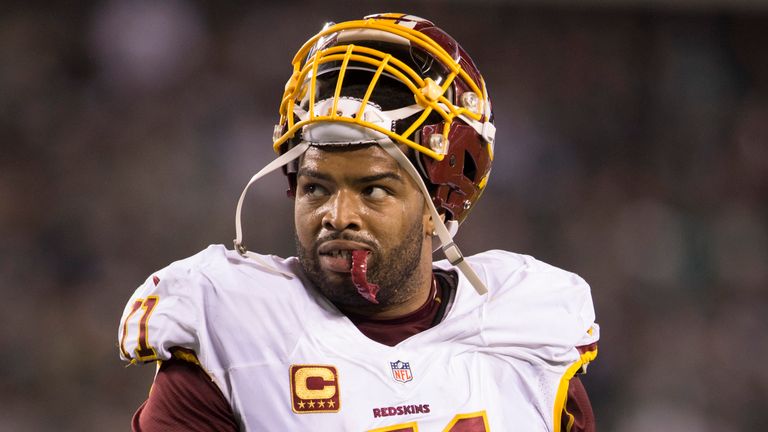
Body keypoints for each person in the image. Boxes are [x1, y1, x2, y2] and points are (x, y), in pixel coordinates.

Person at [118, 13, 599, 431]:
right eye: (316, 188)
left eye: (372, 190)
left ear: (440, 204)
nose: (337, 216)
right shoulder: (231, 328)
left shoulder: (528, 325)